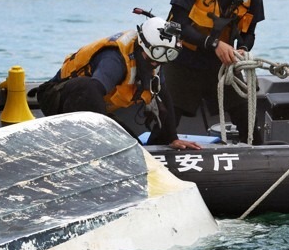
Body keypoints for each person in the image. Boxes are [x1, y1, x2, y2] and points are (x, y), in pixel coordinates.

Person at [36, 16, 203, 150]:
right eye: (155, 54)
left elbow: (163, 95)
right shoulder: (115, 59)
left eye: (167, 55)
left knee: (134, 146)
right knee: (88, 87)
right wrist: (105, 138)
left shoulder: (155, 61)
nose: (156, 62)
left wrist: (172, 138)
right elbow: (91, 92)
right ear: (142, 45)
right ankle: (89, 144)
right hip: (57, 98)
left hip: (93, 109)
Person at [164, 0, 265, 144]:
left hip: (221, 65)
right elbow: (176, 24)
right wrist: (214, 43)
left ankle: (256, 152)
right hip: (182, 60)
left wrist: (242, 49)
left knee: (248, 119)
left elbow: (249, 32)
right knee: (166, 123)